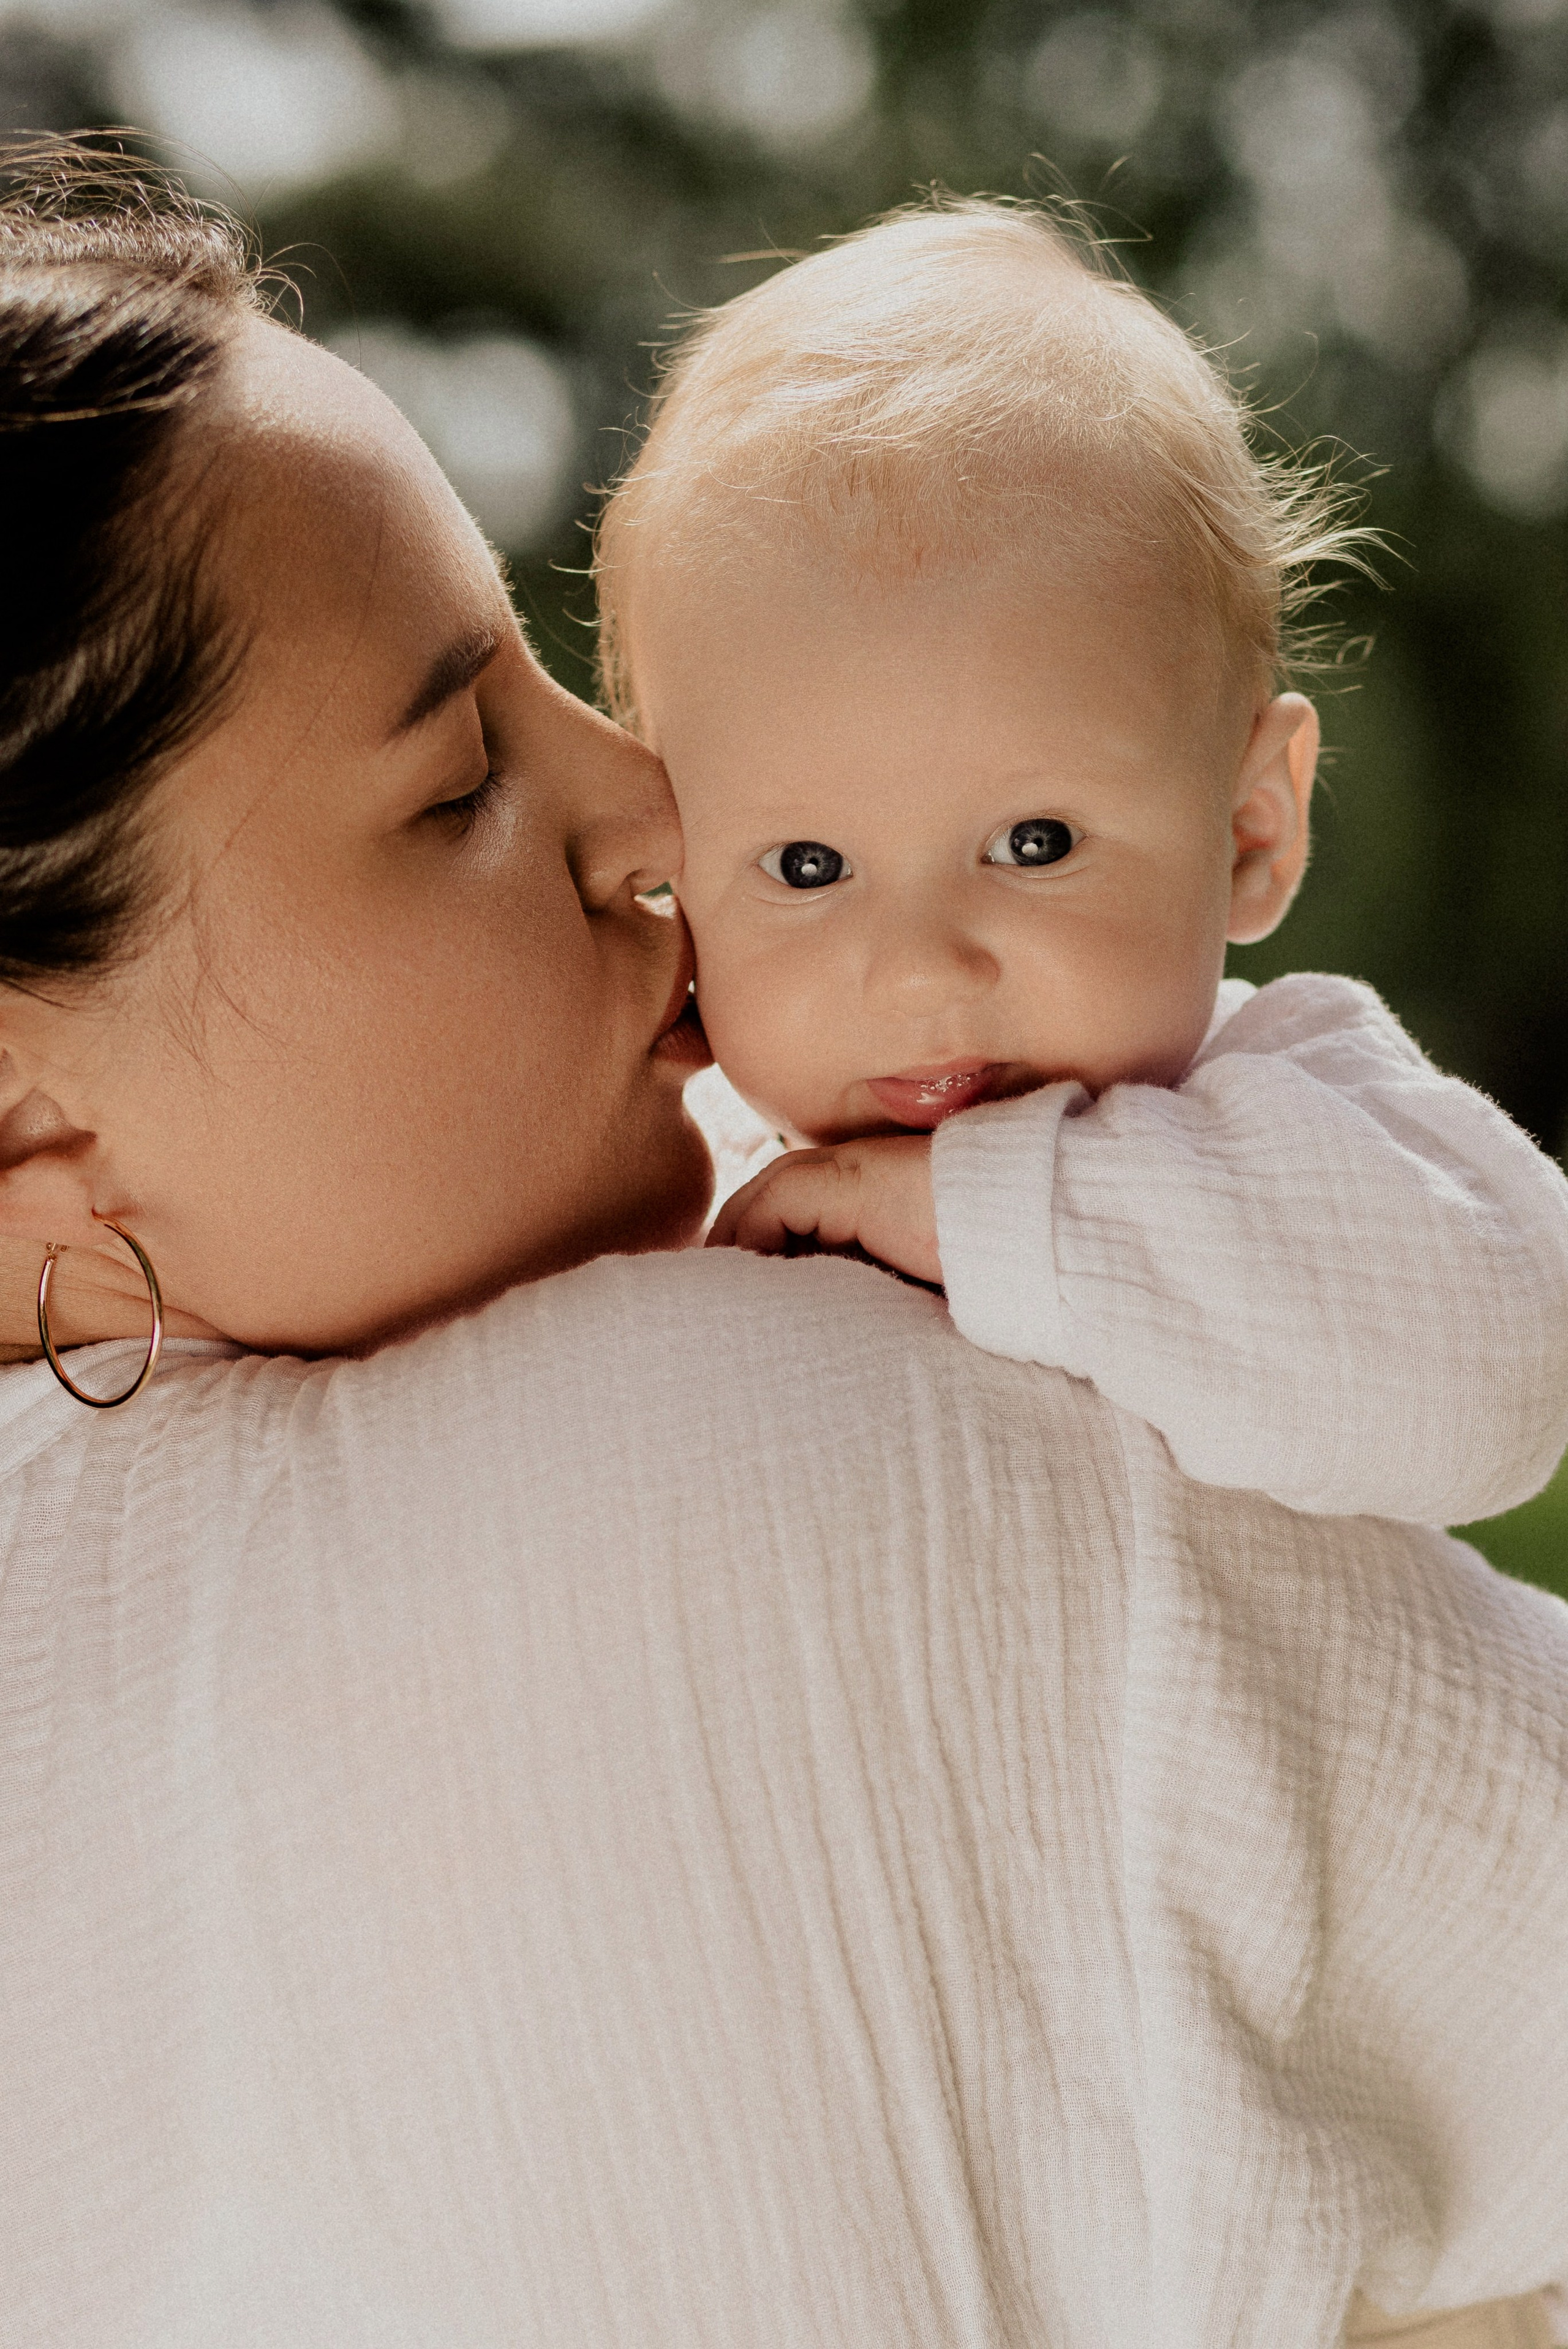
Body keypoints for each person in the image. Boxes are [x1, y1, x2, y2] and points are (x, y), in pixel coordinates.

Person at [1, 147, 1565, 2349]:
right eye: (463, 782)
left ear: (1257, 817)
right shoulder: (816, 1471)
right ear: (25, 1127)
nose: (661, 817)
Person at [597, 197, 1568, 1529]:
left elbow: (1497, 1383)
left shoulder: (1304, 1115)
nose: (922, 969)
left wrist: (989, 1216)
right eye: (807, 866)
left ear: (1247, 833)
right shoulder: (687, 1172)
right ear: (671, 873)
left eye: (1032, 843)